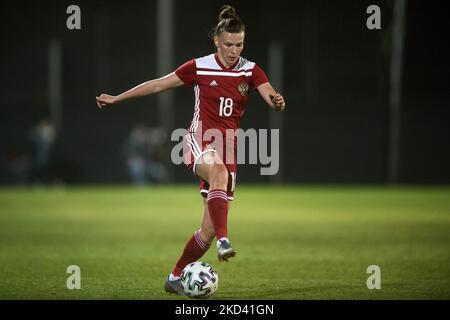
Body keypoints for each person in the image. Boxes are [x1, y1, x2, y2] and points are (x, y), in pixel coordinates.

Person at [96, 5, 285, 295]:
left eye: (240, 44)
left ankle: (174, 276)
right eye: (229, 44)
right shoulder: (199, 66)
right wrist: (118, 98)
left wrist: (277, 101)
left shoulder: (251, 70)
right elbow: (159, 85)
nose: (234, 50)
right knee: (218, 177)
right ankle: (225, 240)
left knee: (205, 232)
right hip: (199, 140)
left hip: (228, 150)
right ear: (217, 42)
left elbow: (270, 95)